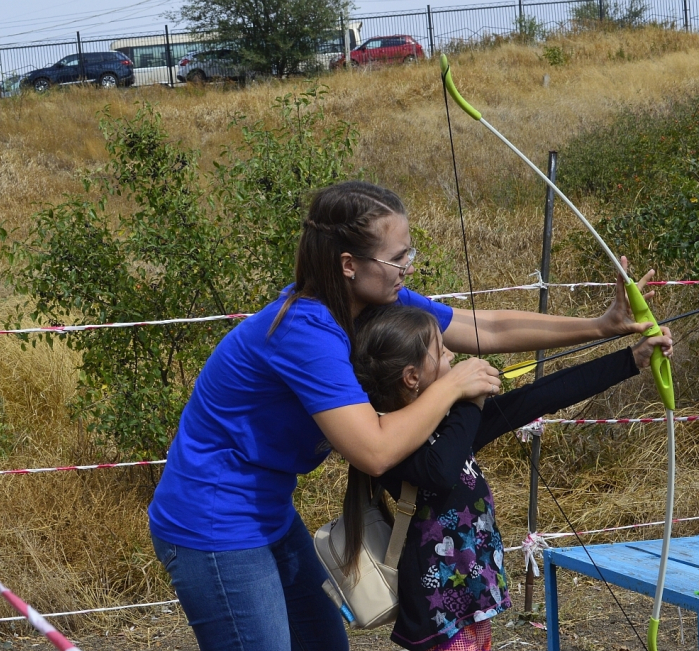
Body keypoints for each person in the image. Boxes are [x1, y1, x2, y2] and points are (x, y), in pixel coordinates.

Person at [147, 180, 666, 651]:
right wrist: (455, 388)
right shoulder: (306, 332)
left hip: (267, 512)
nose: (409, 267)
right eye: (398, 258)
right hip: (212, 522)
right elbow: (374, 450)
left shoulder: (372, 303)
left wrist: (601, 326)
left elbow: (488, 328)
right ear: (349, 264)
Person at [344, 305, 672, 651]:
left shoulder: (451, 422)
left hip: (470, 601)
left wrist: (631, 359)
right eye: (441, 352)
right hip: (438, 608)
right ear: (412, 377)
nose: (454, 354)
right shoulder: (393, 438)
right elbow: (439, 471)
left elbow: (540, 396)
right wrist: (470, 400)